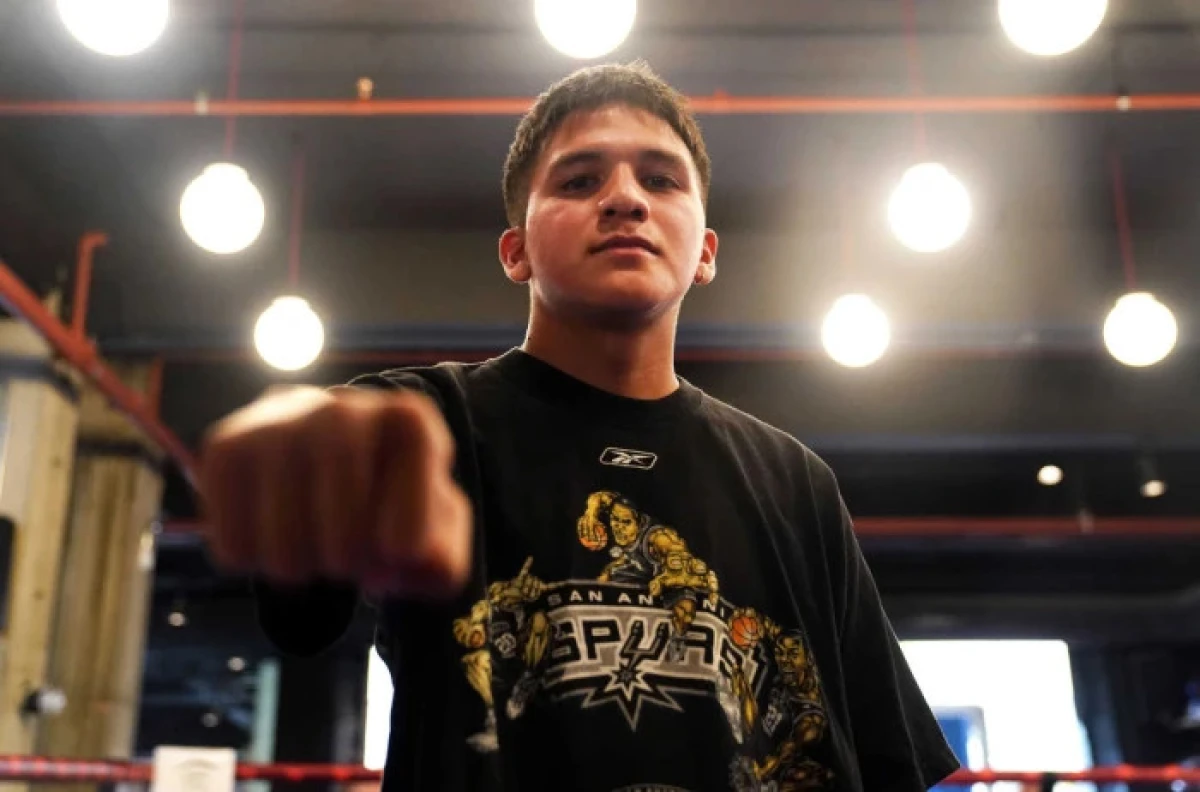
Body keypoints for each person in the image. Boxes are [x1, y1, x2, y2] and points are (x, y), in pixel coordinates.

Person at [201, 61, 960, 792]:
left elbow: (885, 764)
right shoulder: (430, 426)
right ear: (516, 250)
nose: (625, 198)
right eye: (579, 179)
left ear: (706, 252)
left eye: (660, 179)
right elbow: (300, 617)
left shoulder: (796, 484)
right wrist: (298, 448)